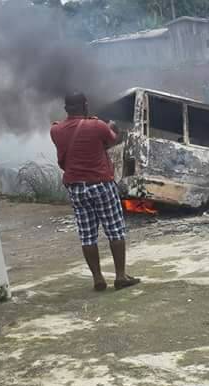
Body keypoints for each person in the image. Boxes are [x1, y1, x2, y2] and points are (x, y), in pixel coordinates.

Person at [50, 93, 140, 292]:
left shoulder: (55, 130)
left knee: (87, 236)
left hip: (76, 188)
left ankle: (98, 278)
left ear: (66, 109)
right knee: (115, 230)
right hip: (100, 184)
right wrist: (114, 129)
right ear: (85, 105)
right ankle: (120, 276)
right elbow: (111, 140)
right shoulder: (97, 125)